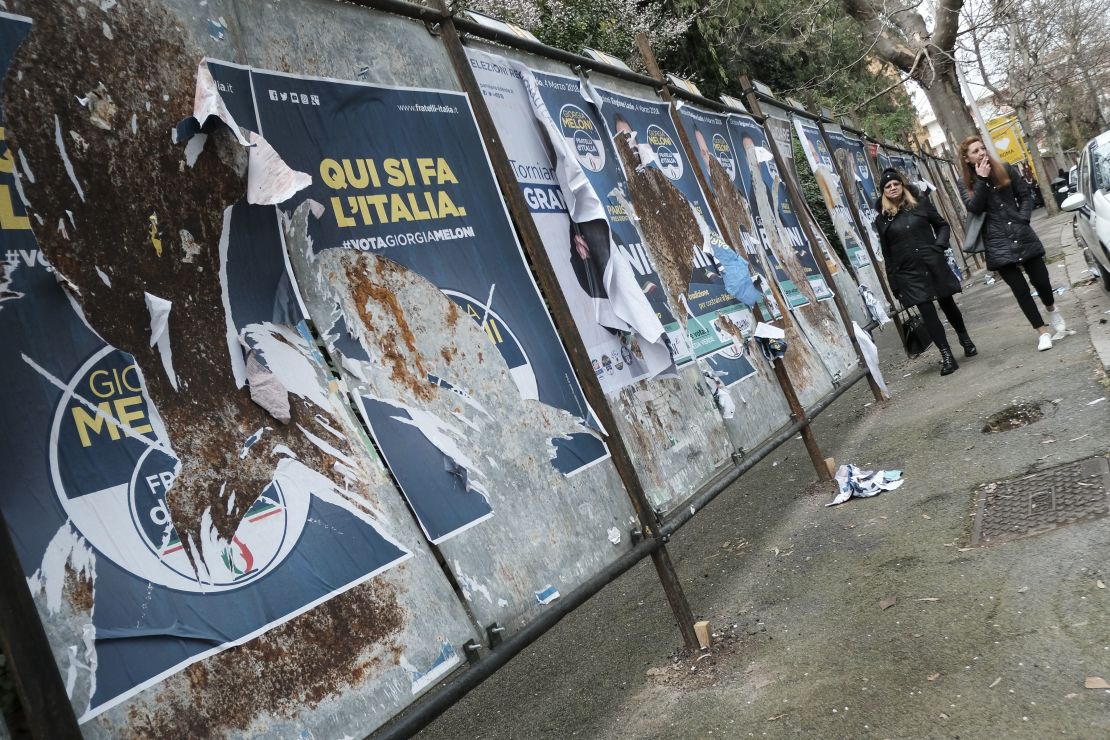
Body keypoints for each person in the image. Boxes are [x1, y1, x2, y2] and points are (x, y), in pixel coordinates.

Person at [959, 137, 1065, 351]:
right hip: (997, 243)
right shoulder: (967, 184)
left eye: (982, 148)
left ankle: (1051, 309)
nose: (981, 153)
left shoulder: (1005, 168)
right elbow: (975, 208)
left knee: (1041, 281)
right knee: (1021, 291)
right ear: (967, 159)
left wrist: (1023, 218)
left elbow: (1024, 195)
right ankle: (1042, 332)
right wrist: (981, 180)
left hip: (1022, 233)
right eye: (975, 151)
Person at [874, 168, 974, 376]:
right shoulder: (882, 220)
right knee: (927, 312)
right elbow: (887, 254)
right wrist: (894, 285)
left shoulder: (921, 204)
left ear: (902, 185)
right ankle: (946, 355)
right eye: (888, 186)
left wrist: (939, 246)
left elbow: (942, 226)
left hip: (933, 263)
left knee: (948, 303)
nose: (893, 188)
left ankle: (965, 339)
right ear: (883, 192)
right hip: (909, 273)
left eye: (896, 184)